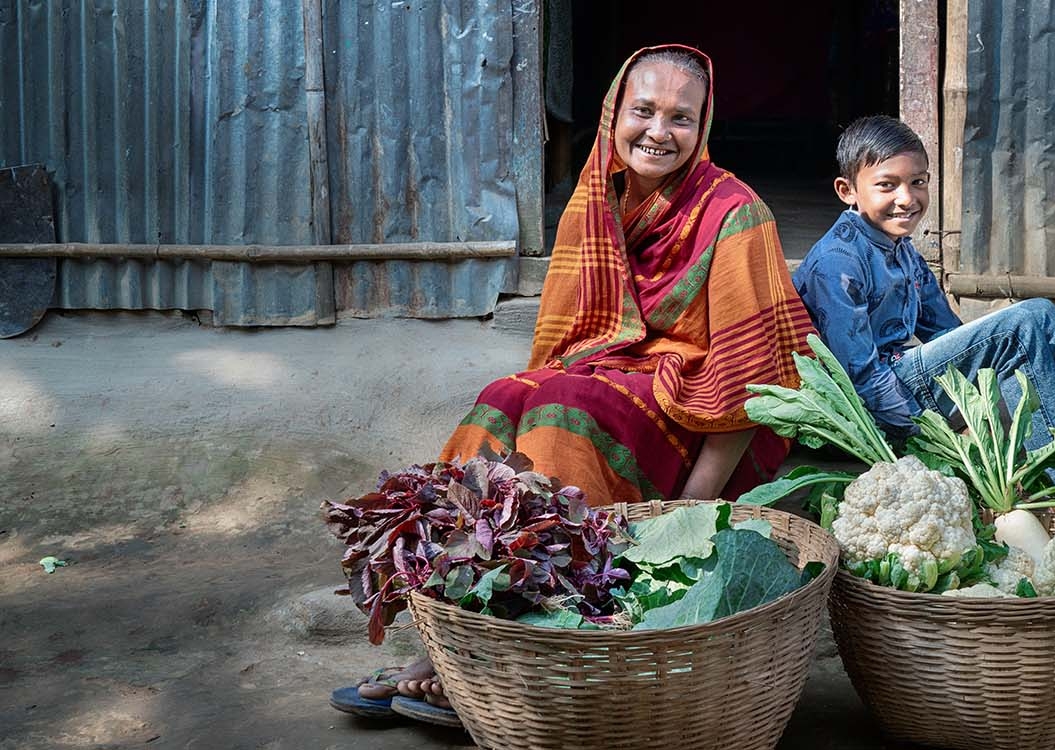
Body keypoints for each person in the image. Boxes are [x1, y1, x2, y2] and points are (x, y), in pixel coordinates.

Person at [329, 45, 816, 725]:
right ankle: (455, 631)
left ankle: (511, 652)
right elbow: (568, 347)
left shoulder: (736, 211)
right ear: (613, 113)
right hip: (616, 388)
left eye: (682, 117)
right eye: (642, 110)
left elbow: (750, 379)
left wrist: (689, 513)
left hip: (704, 426)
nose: (658, 131)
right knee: (505, 396)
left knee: (568, 406)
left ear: (704, 127)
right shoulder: (593, 203)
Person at [792, 115, 1055, 453]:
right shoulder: (838, 264)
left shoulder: (903, 251)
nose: (907, 198)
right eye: (887, 185)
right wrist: (936, 437)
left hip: (898, 380)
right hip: (862, 416)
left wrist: (978, 403)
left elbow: (948, 335)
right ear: (847, 191)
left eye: (918, 182)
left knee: (1040, 315)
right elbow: (861, 379)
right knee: (1020, 327)